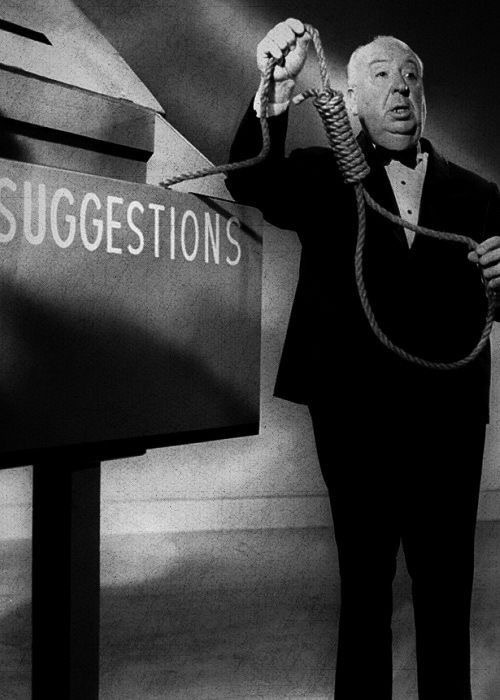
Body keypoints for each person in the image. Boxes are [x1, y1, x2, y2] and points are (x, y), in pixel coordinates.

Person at [226, 18, 500, 700]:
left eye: (412, 78)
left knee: (446, 589)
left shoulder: (480, 195)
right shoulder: (321, 175)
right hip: (354, 417)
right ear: (350, 101)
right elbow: (251, 183)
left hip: (449, 421)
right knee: (365, 586)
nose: (401, 88)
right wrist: (272, 97)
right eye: (381, 76)